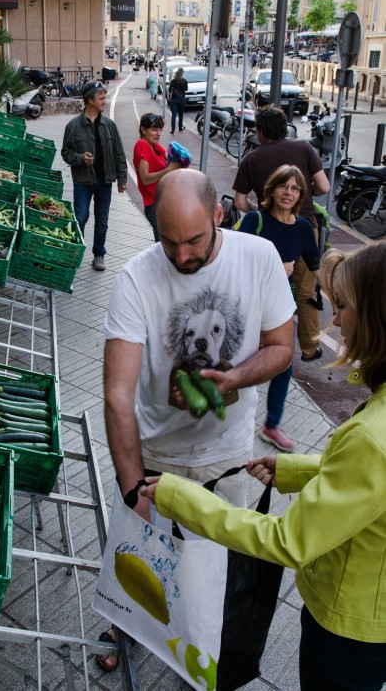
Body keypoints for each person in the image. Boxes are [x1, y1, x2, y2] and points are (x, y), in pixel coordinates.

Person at [141, 239, 386, 691]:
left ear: (377, 318)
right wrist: (298, 471)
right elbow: (373, 488)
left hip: (348, 632)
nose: (336, 321)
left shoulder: (373, 436)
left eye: (346, 307)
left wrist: (183, 498)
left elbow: (288, 541)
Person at [96, 168, 295, 671]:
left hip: (226, 457)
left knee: (215, 573)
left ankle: (204, 655)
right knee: (144, 560)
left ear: (218, 214)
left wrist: (234, 380)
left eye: (193, 241)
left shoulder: (259, 258)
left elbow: (282, 349)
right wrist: (132, 490)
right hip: (157, 453)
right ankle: (128, 626)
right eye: (168, 242)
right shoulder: (135, 278)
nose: (181, 256)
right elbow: (118, 397)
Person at [233, 105, 330, 362]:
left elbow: (240, 202)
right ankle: (310, 348)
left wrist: (261, 210)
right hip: (304, 227)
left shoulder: (251, 159)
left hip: (267, 233)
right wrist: (302, 197)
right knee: (307, 293)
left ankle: (265, 346)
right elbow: (324, 186)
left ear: (260, 131)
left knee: (265, 290)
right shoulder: (304, 148)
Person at [237, 165, 320, 451]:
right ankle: (229, 418)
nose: (288, 192)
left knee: (284, 365)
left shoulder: (303, 228)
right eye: (283, 186)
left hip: (279, 307)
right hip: (248, 304)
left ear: (300, 195)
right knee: (241, 360)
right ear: (271, 190)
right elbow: (234, 262)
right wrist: (274, 267)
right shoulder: (254, 221)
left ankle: (271, 425)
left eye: (295, 188)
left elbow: (315, 262)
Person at [61, 81, 127, 272]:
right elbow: (66, 153)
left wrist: (122, 179)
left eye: (105, 98)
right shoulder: (73, 126)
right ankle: (74, 253)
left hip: (104, 180)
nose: (105, 102)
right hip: (83, 181)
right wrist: (81, 158)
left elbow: (119, 153)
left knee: (102, 219)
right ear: (90, 100)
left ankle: (99, 254)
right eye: (102, 98)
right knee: (80, 217)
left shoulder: (109, 126)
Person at [133, 113, 181, 241]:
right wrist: (168, 170)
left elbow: (171, 158)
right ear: (143, 129)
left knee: (170, 245)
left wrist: (178, 157)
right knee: (163, 248)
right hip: (154, 205)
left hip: (163, 202)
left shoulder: (155, 146)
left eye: (160, 129)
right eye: (154, 129)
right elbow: (145, 178)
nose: (158, 133)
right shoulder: (142, 144)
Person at [168, 67, 188, 134]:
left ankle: (173, 129)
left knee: (173, 115)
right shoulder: (184, 81)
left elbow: (170, 90)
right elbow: (186, 89)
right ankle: (180, 127)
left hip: (174, 99)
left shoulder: (173, 81)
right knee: (181, 114)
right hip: (182, 99)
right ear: (182, 74)